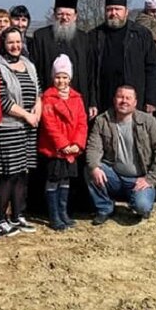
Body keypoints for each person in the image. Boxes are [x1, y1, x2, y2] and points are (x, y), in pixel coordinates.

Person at [86, 85, 156, 225]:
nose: (123, 101)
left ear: (135, 102)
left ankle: (137, 201)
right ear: (114, 100)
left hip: (139, 179)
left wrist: (150, 179)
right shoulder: (102, 120)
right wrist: (95, 167)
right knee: (90, 168)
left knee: (142, 207)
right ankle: (105, 208)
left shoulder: (147, 121)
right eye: (120, 97)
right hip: (114, 176)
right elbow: (93, 148)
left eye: (128, 98)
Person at [0, 27, 42, 236]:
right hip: (9, 127)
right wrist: (26, 115)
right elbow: (2, 100)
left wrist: (37, 110)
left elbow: (38, 90)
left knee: (22, 173)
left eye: (18, 42)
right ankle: (1, 218)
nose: (15, 46)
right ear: (3, 43)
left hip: (29, 128)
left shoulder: (28, 64)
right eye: (10, 42)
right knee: (8, 175)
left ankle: (18, 215)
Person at [38, 54, 88, 230]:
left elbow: (82, 122)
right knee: (53, 179)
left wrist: (77, 143)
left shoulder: (76, 97)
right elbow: (49, 124)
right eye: (58, 77)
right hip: (55, 148)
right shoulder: (48, 97)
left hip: (72, 148)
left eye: (64, 77)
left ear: (70, 78)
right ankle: (54, 215)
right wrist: (63, 144)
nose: (61, 81)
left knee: (66, 179)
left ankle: (63, 211)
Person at [90, 0, 156, 114]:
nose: (113, 13)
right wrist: (92, 101)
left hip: (135, 99)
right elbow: (89, 73)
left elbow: (152, 68)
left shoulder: (141, 35)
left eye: (118, 9)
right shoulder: (94, 36)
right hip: (104, 99)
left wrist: (151, 100)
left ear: (126, 11)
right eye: (109, 9)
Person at [32, 0, 96, 118]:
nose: (64, 18)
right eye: (60, 14)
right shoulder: (41, 37)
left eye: (68, 14)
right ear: (54, 15)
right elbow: (34, 72)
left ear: (75, 16)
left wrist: (92, 101)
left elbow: (91, 73)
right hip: (48, 102)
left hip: (78, 100)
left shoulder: (85, 39)